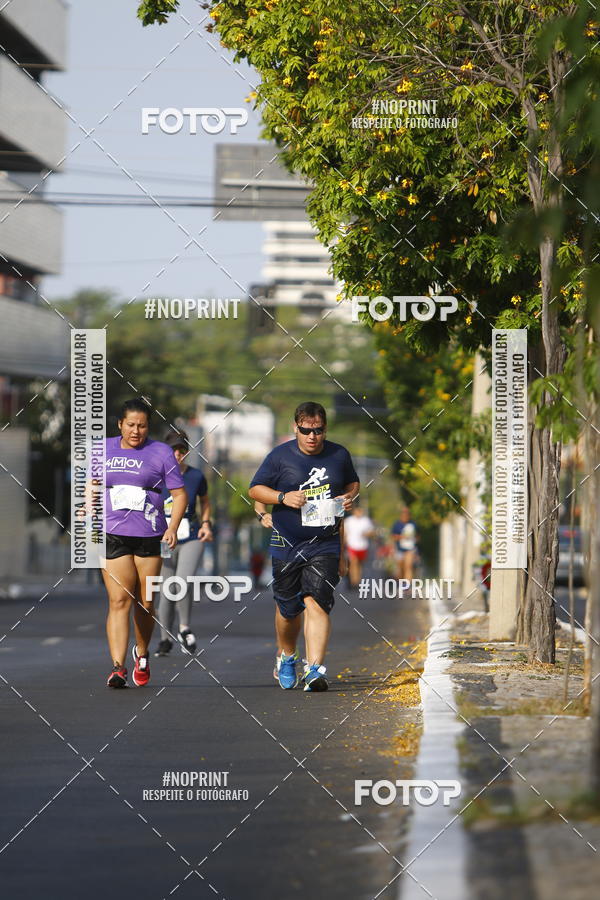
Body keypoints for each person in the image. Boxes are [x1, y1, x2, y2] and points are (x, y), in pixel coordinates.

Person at [249, 401, 359, 692]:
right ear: (295, 428)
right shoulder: (279, 456)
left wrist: (348, 499)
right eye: (306, 430)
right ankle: (287, 655)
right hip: (287, 543)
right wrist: (283, 497)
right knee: (288, 610)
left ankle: (314, 669)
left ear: (325, 429)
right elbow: (255, 489)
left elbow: (352, 484)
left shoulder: (339, 455)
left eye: (318, 430)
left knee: (317, 601)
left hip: (325, 543)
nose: (312, 436)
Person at [101, 398, 187, 688]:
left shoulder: (161, 452)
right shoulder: (102, 449)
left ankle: (142, 653)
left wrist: (172, 527)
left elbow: (180, 494)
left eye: (142, 426)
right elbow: (89, 487)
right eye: (131, 425)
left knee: (146, 601)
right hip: (113, 533)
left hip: (150, 535)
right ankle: (117, 667)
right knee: (119, 599)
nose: (136, 431)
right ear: (120, 424)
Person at [154, 430, 212, 657]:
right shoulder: (156, 476)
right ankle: (164, 639)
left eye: (182, 450)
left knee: (184, 582)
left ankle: (185, 628)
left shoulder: (196, 476)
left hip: (191, 535)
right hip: (164, 538)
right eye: (173, 450)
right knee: (167, 590)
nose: (177, 455)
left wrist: (206, 523)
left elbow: (205, 502)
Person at [343, 505, 375, 587]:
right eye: (357, 511)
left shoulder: (366, 521)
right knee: (354, 563)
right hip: (352, 545)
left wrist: (367, 534)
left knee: (360, 564)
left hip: (363, 546)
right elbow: (345, 533)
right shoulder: (349, 521)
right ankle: (354, 581)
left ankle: (358, 580)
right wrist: (344, 542)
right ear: (354, 511)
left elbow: (372, 532)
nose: (359, 513)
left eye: (360, 511)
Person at [391, 506, 419, 584]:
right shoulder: (397, 525)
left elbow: (418, 535)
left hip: (410, 549)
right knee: (401, 568)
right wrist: (402, 537)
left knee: (408, 566)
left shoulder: (413, 524)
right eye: (404, 514)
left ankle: (407, 586)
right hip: (399, 549)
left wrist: (415, 540)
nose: (406, 516)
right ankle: (401, 583)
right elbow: (393, 536)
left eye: (407, 514)